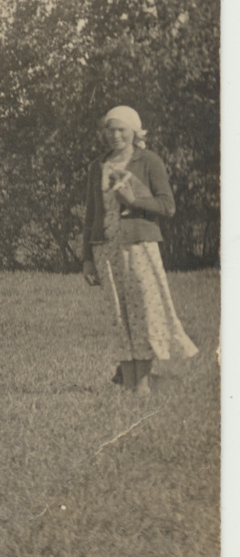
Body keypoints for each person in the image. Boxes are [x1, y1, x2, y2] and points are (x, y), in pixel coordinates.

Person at [81, 105, 198, 394]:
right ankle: (132, 383)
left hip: (139, 248)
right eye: (110, 129)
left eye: (121, 129)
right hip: (105, 250)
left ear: (135, 131)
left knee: (144, 313)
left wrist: (134, 201)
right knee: (119, 315)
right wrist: (86, 259)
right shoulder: (97, 166)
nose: (115, 135)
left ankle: (143, 383)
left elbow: (167, 206)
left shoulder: (148, 161)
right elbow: (91, 213)